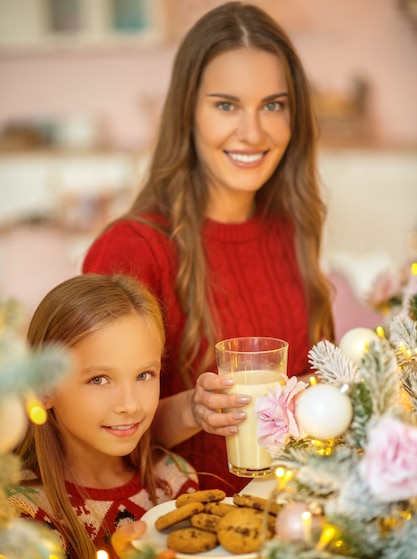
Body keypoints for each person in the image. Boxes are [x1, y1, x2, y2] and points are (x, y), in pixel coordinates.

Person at [82, 2, 335, 495]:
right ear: (188, 113)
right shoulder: (133, 248)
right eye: (226, 105)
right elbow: (81, 431)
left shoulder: (292, 229)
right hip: (183, 537)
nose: (254, 132)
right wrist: (190, 410)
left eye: (273, 105)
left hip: (297, 528)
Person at [9, 274, 222, 559]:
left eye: (144, 375)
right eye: (99, 379)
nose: (130, 404)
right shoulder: (20, 514)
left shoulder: (174, 482)